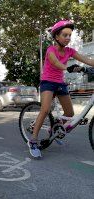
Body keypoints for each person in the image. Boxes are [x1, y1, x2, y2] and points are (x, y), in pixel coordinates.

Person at [28, 20, 94, 158]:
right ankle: (33, 141)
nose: (68, 38)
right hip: (48, 82)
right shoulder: (51, 50)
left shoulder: (69, 51)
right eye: (65, 35)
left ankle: (54, 129)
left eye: (70, 35)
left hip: (60, 83)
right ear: (57, 37)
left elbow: (87, 60)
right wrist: (68, 68)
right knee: (45, 110)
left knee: (69, 113)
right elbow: (56, 63)